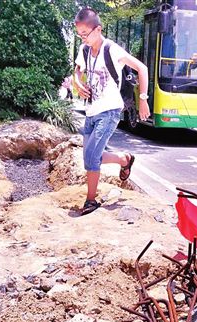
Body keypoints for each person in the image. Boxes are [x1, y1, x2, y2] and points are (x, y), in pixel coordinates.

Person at [74, 7, 150, 216]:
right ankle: (124, 160)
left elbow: (141, 68)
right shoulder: (85, 50)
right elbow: (77, 70)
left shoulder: (112, 49)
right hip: (91, 111)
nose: (83, 38)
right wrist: (77, 82)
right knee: (90, 157)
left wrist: (143, 99)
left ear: (98, 29)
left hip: (109, 111)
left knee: (91, 157)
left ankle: (91, 201)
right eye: (79, 34)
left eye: (85, 34)